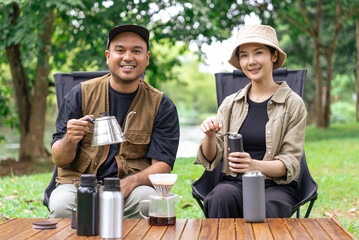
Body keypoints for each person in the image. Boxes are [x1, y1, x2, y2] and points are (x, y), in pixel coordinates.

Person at [49, 25, 180, 218]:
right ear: (108, 56)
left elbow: (163, 166)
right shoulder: (79, 94)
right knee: (61, 205)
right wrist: (69, 139)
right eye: (120, 50)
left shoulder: (161, 105)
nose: (128, 57)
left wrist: (131, 182)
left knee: (148, 202)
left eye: (136, 51)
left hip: (130, 190)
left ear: (147, 58)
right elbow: (59, 159)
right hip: (79, 186)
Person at [195, 24, 306, 218]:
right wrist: (210, 137)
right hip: (235, 182)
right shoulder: (230, 103)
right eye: (244, 55)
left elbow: (289, 163)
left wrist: (254, 165)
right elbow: (211, 158)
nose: (251, 61)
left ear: (273, 56)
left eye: (258, 53)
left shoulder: (293, 104)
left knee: (269, 205)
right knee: (220, 197)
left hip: (276, 185)